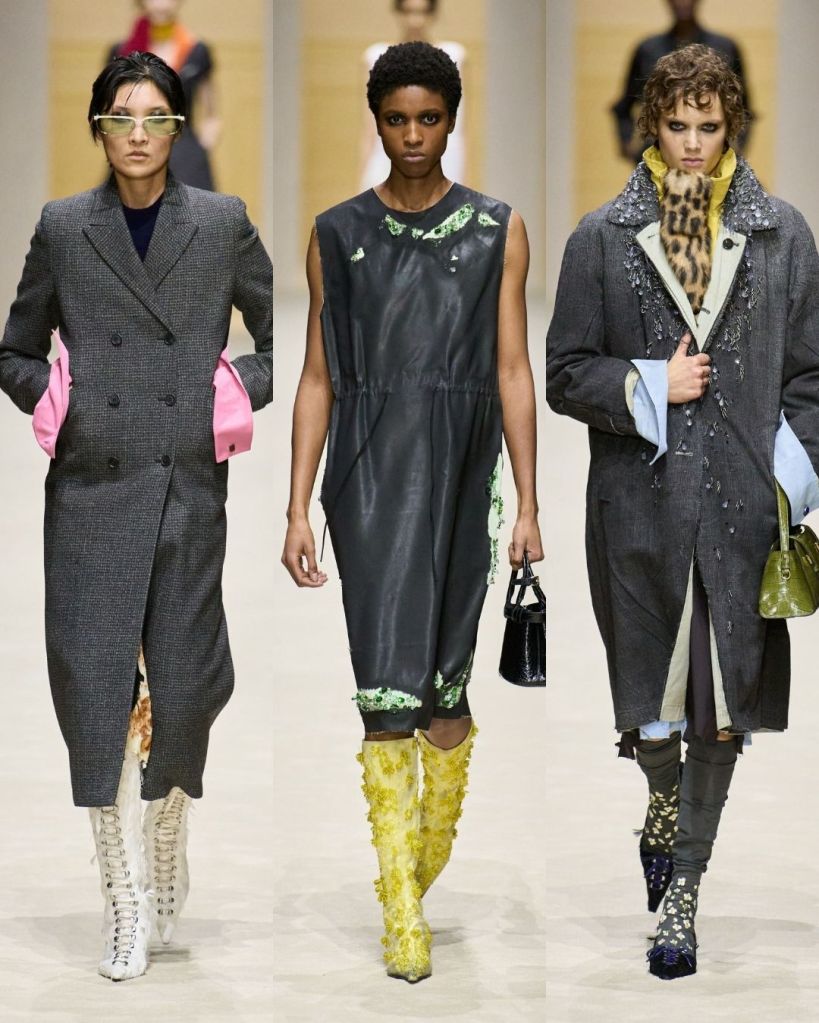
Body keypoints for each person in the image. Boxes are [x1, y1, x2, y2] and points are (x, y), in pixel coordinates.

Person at [547, 44, 819, 979]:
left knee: (722, 707)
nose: (693, 143)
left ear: (730, 124)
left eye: (709, 125)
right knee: (655, 710)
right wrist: (645, 384)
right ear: (650, 126)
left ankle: (683, 895)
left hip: (743, 505)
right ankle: (661, 801)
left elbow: (812, 375)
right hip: (640, 505)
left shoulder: (780, 234)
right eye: (677, 125)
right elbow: (564, 371)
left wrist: (791, 475)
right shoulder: (600, 238)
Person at [0, 51, 272, 981]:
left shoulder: (222, 222)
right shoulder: (65, 227)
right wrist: (57, 398)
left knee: (185, 690)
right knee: (98, 699)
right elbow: (15, 348)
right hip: (91, 492)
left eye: (156, 117)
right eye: (122, 117)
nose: (139, 134)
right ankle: (121, 896)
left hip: (187, 487)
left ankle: (166, 833)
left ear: (178, 128)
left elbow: (283, 338)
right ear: (99, 129)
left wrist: (233, 388)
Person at [283, 41, 542, 982]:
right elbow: (317, 374)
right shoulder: (335, 233)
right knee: (387, 696)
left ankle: (419, 862)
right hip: (367, 476)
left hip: (463, 475)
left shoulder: (496, 230)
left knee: (444, 704)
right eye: (396, 120)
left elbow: (511, 369)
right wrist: (297, 506)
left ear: (451, 119)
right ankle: (401, 908)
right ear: (377, 123)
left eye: (428, 118)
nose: (412, 136)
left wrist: (528, 503)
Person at [612, 0, 751, 163]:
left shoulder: (725, 47)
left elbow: (743, 106)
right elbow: (624, 105)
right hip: (654, 152)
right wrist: (628, 143)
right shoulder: (647, 49)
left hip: (714, 156)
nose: (682, 2)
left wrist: (738, 148)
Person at [110, 0, 220, 189]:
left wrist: (201, 148)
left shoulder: (196, 50)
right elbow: (109, 108)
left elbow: (212, 114)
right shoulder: (122, 51)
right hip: (136, 144)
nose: (161, 4)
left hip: (184, 150)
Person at [360, 0, 466, 188]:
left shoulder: (454, 56)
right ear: (398, 13)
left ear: (433, 14)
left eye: (422, 12)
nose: (415, 21)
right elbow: (369, 127)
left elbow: (462, 127)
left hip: (444, 158)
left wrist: (466, 182)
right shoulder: (376, 57)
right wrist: (361, 181)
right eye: (408, 12)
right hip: (388, 157)